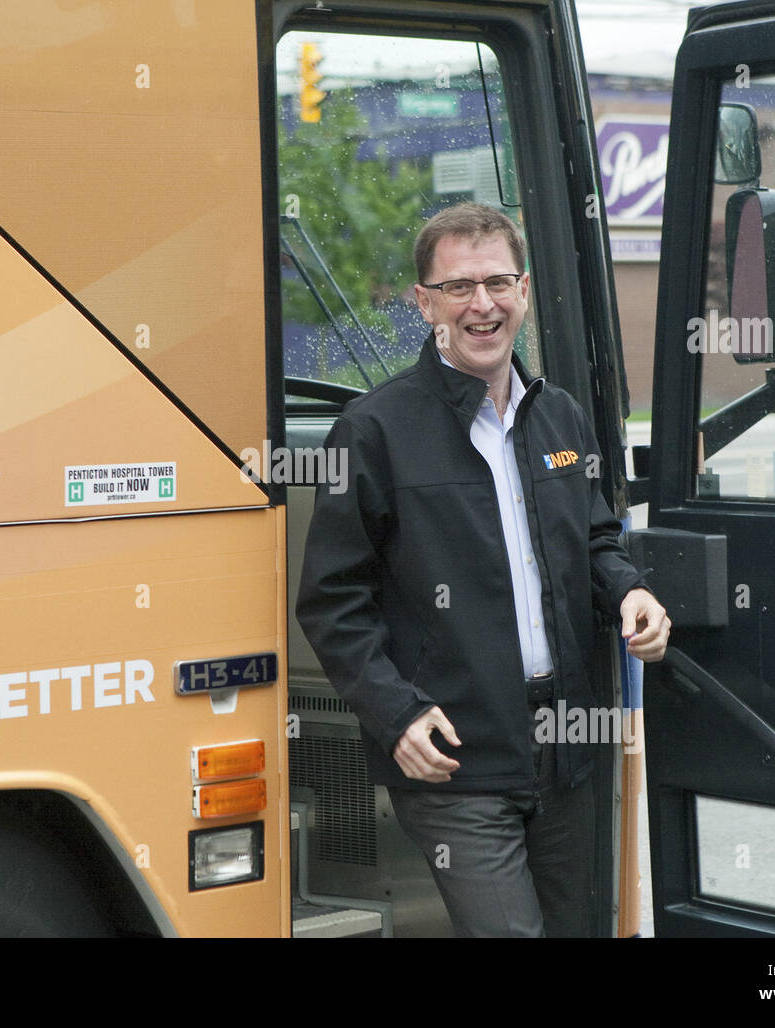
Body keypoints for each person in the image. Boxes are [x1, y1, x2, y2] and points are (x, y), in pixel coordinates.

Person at [295, 202, 670, 937]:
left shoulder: (557, 416)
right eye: (459, 287)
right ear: (424, 302)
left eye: (498, 282)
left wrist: (630, 591)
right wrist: (394, 712)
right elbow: (331, 601)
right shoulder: (374, 431)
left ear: (524, 291)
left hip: (567, 745)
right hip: (455, 760)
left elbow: (594, 538)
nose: (482, 304)